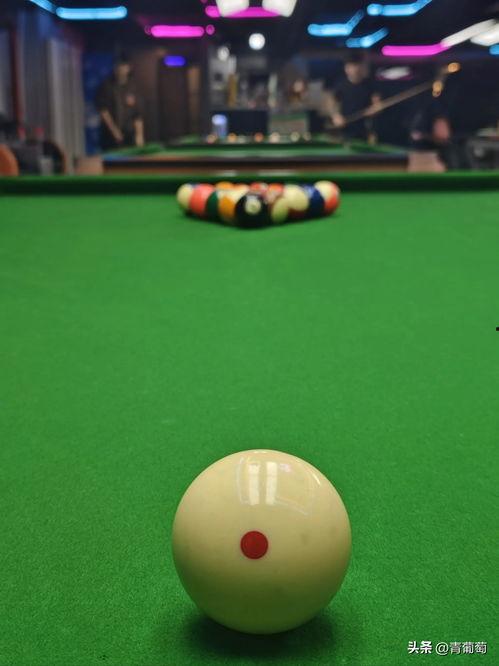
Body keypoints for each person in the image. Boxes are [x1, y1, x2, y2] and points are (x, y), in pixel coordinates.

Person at [96, 57, 144, 150]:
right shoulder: (106, 86)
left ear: (129, 68)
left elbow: (138, 114)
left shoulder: (134, 87)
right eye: (118, 66)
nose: (120, 69)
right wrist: (114, 131)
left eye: (123, 66)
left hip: (129, 135)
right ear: (114, 68)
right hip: (110, 136)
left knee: (131, 157)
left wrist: (139, 136)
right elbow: (103, 111)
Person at [331, 54, 382, 141]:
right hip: (345, 129)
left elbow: (378, 104)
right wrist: (336, 116)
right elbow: (332, 103)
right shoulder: (340, 85)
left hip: (365, 130)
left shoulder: (370, 84)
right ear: (346, 68)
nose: (355, 69)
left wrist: (375, 109)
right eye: (351, 66)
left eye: (357, 65)